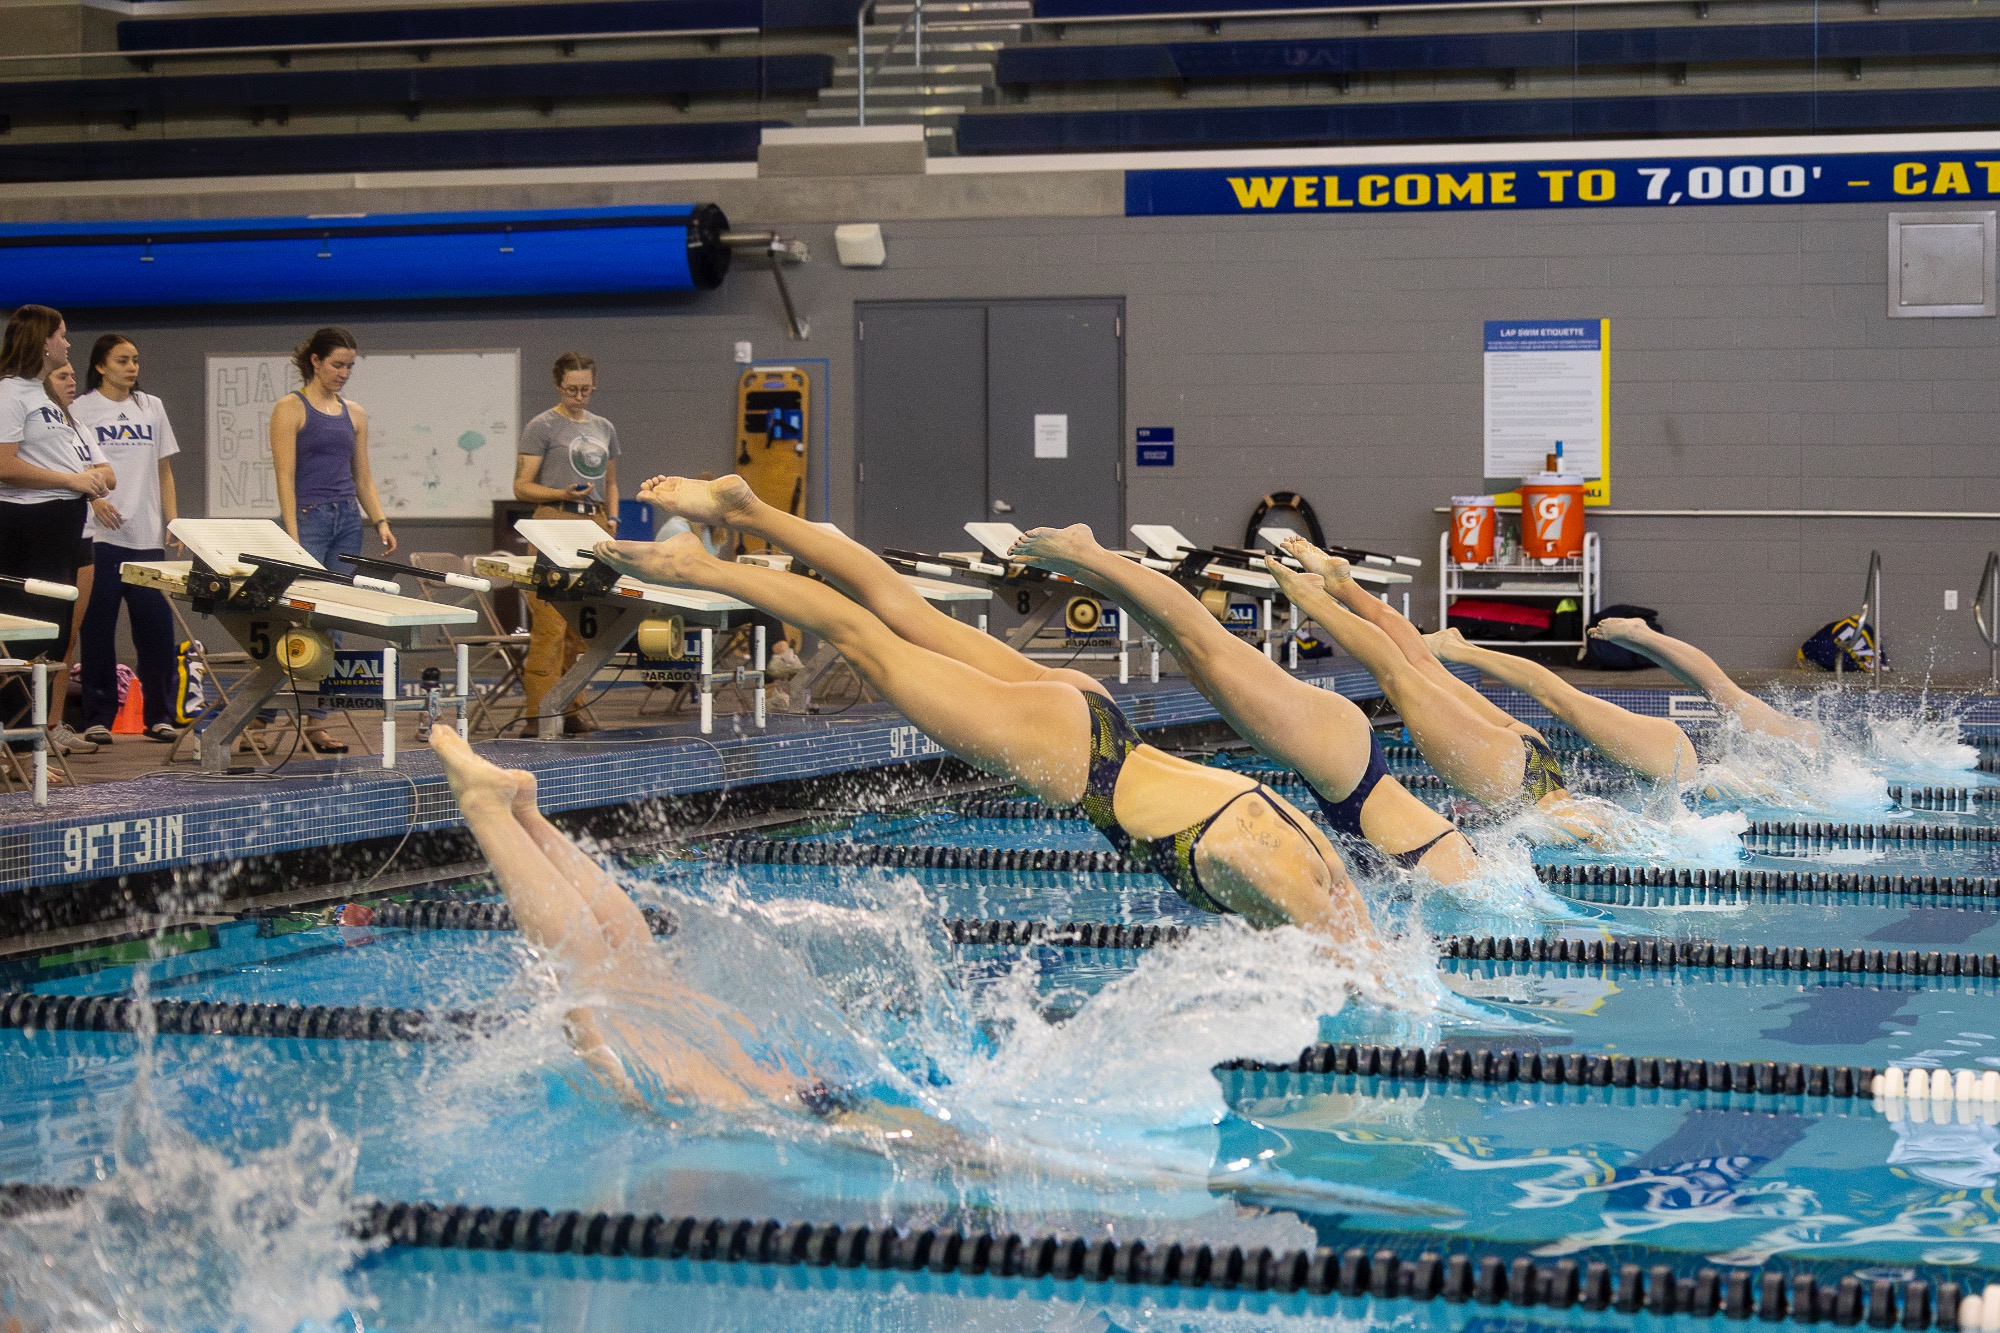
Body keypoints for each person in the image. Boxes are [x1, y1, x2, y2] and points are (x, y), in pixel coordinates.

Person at [604, 475, 1378, 945]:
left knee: (905, 615)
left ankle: (753, 512)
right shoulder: (1288, 883)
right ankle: (698, 565)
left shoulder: (1320, 867)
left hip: (1105, 725)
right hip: (1084, 764)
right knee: (865, 638)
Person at [427, 725, 956, 1140]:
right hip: (797, 1102)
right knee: (618, 984)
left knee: (633, 977)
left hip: (792, 1097)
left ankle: (519, 814)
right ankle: (499, 812)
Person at [1006, 523, 1479, 882]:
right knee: (1204, 643)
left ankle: (1090, 571)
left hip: (1344, 769)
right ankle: (1086, 550)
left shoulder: (1462, 867)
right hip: (1346, 767)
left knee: (1189, 651)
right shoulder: (1463, 879)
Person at [1261, 538, 1621, 843]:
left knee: (1421, 663)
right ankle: (1314, 600)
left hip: (1541, 763)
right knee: (1397, 677)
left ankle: (1342, 586)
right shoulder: (1591, 836)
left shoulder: (1598, 823)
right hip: (1510, 781)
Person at [269, 327, 396, 755]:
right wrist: (291, 532)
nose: (344, 373)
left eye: (350, 366)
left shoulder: (354, 413)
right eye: (337, 364)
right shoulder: (290, 409)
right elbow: (284, 475)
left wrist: (379, 520)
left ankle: (316, 722)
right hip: (308, 519)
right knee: (296, 621)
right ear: (315, 362)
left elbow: (363, 476)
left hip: (346, 520)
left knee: (333, 621)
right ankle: (267, 714)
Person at [0, 305, 113, 761]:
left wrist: (84, 480)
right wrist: (70, 480)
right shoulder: (10, 393)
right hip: (29, 526)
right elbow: (4, 465)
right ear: (44, 341)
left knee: (52, 642)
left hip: (63, 525)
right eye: (62, 336)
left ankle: (30, 748)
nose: (68, 344)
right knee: (25, 640)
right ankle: (18, 752)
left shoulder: (42, 397)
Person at [72, 335, 183, 746]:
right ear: (101, 366)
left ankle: (159, 715)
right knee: (98, 630)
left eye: (136, 360)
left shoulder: (150, 406)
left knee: (156, 631)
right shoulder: (80, 409)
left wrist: (173, 520)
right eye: (122, 360)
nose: (132, 367)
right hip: (100, 536)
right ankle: (98, 717)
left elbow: (164, 469)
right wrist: (94, 498)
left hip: (146, 538)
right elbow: (72, 467)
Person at [514, 351, 620, 736]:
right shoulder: (541, 426)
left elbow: (610, 482)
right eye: (572, 389)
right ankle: (538, 712)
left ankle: (570, 704)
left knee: (581, 627)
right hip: (554, 517)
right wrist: (558, 490)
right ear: (559, 386)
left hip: (593, 523)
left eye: (586, 390)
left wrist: (612, 518)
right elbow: (521, 486)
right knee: (551, 624)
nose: (579, 396)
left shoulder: (604, 427)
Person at [1588, 617, 1821, 748]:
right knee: (1719, 689)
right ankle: (1642, 635)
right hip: (1804, 750)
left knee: (1713, 690)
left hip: (1807, 752)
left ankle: (1643, 643)